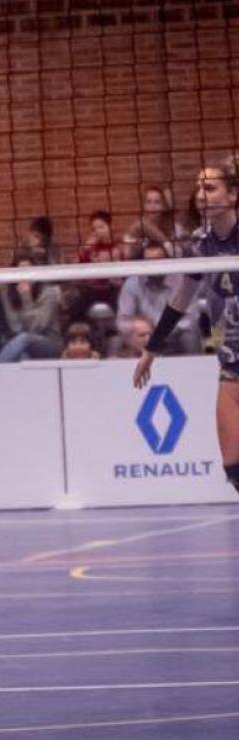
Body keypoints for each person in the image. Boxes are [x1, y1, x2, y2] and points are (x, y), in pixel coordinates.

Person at [136, 155, 239, 492]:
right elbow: (180, 298)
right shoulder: (201, 243)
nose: (201, 194)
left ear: (233, 195)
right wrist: (151, 349)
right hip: (232, 363)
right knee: (233, 466)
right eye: (198, 187)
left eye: (210, 187)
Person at [0, 256, 64, 361]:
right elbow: (15, 328)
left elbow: (36, 327)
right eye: (20, 272)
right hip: (20, 343)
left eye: (28, 271)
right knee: (23, 356)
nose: (25, 276)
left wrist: (26, 298)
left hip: (49, 343)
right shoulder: (7, 295)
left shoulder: (49, 293)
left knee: (24, 339)